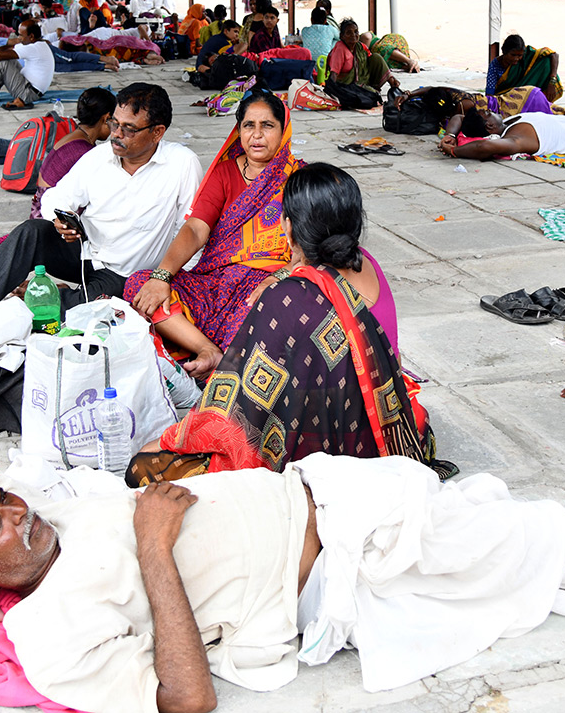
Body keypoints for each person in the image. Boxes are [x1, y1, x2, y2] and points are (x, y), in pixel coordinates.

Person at [0, 432, 565, 711]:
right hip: (342, 568)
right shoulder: (47, 635)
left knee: (515, 550)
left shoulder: (42, 519)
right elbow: (184, 702)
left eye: (5, 500)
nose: (18, 513)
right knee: (543, 533)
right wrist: (155, 549)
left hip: (324, 496)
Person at [125, 163, 440, 482]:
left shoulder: (288, 298)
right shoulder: (366, 263)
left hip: (318, 435)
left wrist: (179, 438)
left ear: (288, 228)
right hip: (381, 424)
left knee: (143, 464)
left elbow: (246, 403)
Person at [0, 84, 201, 312]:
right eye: (114, 124)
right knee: (31, 232)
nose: (116, 134)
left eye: (129, 129)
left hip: (123, 274)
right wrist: (61, 219)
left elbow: (191, 227)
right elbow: (55, 196)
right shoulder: (99, 157)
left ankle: (29, 301)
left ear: (157, 132)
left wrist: (168, 279)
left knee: (77, 311)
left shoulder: (181, 163)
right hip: (84, 254)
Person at [122, 90, 301, 378]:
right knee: (140, 286)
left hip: (264, 284)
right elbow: (196, 228)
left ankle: (225, 360)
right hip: (216, 282)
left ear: (283, 129)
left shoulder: (299, 178)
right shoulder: (225, 173)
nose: (256, 135)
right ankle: (208, 350)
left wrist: (280, 276)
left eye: (267, 125)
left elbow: (312, 246)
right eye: (248, 125)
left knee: (261, 320)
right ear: (238, 131)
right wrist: (162, 276)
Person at [439, 62, 565, 162]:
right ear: (490, 126)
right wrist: (454, 151)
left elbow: (460, 117)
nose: (493, 111)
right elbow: (484, 148)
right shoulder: (515, 137)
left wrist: (450, 135)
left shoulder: (512, 122)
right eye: (489, 113)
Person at [29, 86, 116, 219]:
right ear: (106, 118)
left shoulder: (77, 136)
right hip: (48, 215)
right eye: (115, 121)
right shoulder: (83, 151)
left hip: (42, 204)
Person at [327, 18, 398, 92]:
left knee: (376, 57)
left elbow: (373, 63)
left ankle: (392, 83)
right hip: (347, 86)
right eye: (349, 33)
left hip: (362, 82)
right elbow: (334, 74)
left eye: (356, 32)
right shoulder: (340, 49)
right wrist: (332, 91)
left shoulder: (361, 47)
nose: (353, 35)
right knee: (372, 95)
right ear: (342, 36)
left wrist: (391, 78)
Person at [486, 34, 561, 102]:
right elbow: (490, 92)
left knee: (546, 61)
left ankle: (539, 100)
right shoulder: (495, 65)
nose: (516, 59)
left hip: (527, 93)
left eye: (519, 56)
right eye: (513, 55)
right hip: (507, 98)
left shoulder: (527, 55)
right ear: (504, 51)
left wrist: (552, 81)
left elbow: (554, 55)